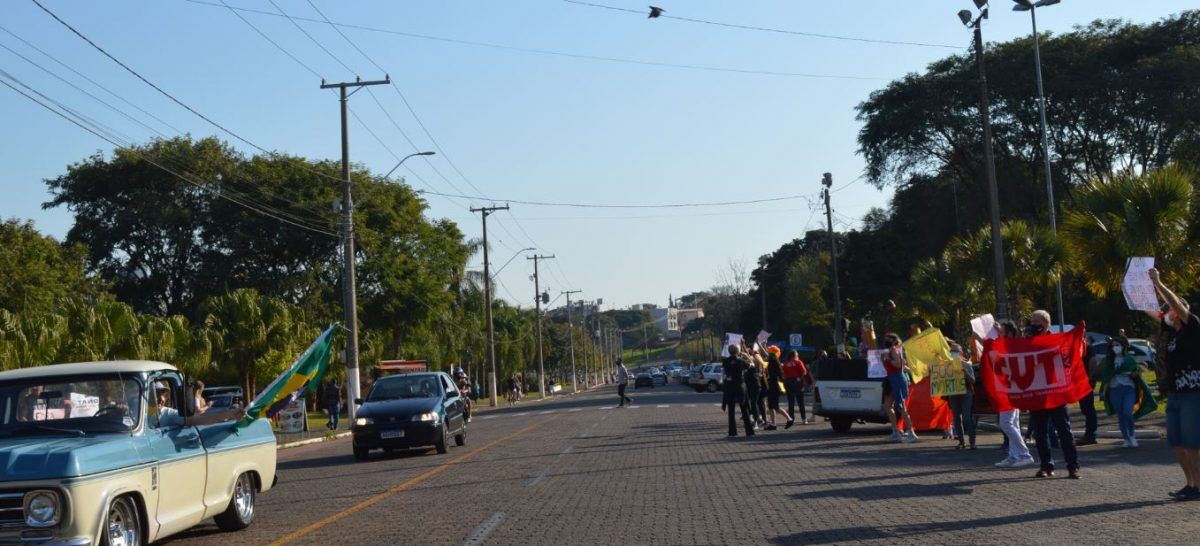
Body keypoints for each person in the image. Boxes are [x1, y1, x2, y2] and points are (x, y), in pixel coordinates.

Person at [1147, 268, 1200, 501]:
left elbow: (1175, 304)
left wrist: (1158, 283)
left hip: (1193, 395)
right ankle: (1190, 484)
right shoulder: (1172, 333)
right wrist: (1133, 289)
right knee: (1177, 443)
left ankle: (1198, 486)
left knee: (1192, 444)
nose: (1168, 312)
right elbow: (1148, 309)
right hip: (1176, 394)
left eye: (1172, 309)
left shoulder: (1193, 327)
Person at [1025, 310, 1081, 479]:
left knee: (1064, 431)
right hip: (1038, 394)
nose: (1033, 324)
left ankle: (1072, 466)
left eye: (1036, 321)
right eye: (1032, 321)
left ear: (1045, 324)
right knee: (1040, 433)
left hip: (1056, 393)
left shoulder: (1058, 340)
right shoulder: (1027, 342)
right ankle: (1046, 466)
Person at [992, 320, 1037, 469]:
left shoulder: (1013, 345)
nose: (999, 334)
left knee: (1005, 423)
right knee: (1013, 423)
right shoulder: (1009, 344)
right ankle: (1014, 455)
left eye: (1002, 332)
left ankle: (1024, 454)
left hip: (1012, 389)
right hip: (1007, 388)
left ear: (1009, 333)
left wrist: (997, 336)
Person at [1100, 338, 1142, 447]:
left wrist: (1135, 373)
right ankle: (1126, 439)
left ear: (1123, 346)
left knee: (1127, 412)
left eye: (1117, 345)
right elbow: (1106, 378)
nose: (1115, 347)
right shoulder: (1108, 361)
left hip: (1129, 389)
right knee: (1121, 415)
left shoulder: (1129, 359)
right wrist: (1104, 392)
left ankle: (1132, 436)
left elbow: (1136, 372)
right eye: (1113, 346)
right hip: (1115, 390)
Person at [882, 334, 917, 443]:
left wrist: (887, 359)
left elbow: (897, 365)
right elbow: (901, 365)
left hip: (896, 379)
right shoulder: (891, 351)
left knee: (901, 407)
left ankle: (911, 432)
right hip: (891, 379)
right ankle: (895, 432)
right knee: (887, 406)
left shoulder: (893, 350)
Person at [945, 342, 977, 450]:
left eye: (955, 351)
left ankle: (972, 442)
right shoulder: (946, 366)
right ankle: (961, 442)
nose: (953, 353)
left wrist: (964, 373)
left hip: (966, 394)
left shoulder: (967, 364)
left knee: (967, 418)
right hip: (953, 394)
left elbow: (973, 380)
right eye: (951, 351)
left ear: (960, 353)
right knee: (956, 419)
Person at [722, 344, 754, 437]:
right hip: (740, 386)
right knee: (744, 410)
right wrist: (747, 356)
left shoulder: (726, 361)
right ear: (738, 351)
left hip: (730, 386)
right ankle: (749, 432)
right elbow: (752, 365)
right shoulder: (740, 361)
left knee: (731, 411)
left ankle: (732, 432)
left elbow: (725, 372)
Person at [764, 347, 793, 430]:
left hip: (774, 386)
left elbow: (767, 354)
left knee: (775, 406)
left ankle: (789, 419)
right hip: (773, 386)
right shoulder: (775, 361)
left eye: (770, 352)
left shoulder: (773, 361)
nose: (768, 353)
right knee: (771, 406)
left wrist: (761, 345)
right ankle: (773, 424)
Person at [782, 349, 808, 425]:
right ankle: (804, 419)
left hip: (788, 382)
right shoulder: (799, 362)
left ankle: (791, 419)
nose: (798, 356)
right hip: (797, 382)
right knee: (800, 402)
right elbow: (804, 372)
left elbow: (783, 374)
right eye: (797, 355)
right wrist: (800, 378)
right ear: (794, 356)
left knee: (791, 402)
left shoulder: (786, 363)